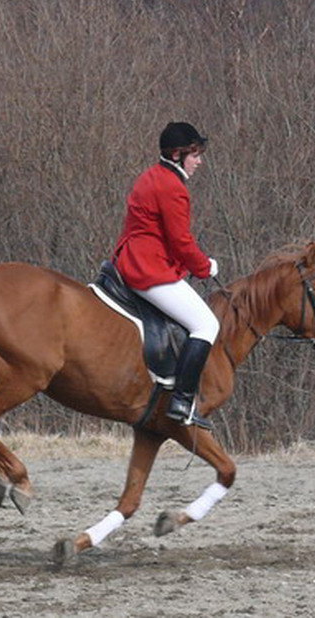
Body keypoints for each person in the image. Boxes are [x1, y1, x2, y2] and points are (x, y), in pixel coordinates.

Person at [112, 122, 220, 424]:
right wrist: (205, 267)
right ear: (176, 154)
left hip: (132, 258)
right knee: (206, 325)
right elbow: (181, 241)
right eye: (195, 154)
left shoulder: (151, 176)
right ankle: (182, 403)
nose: (199, 161)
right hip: (148, 268)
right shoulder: (172, 188)